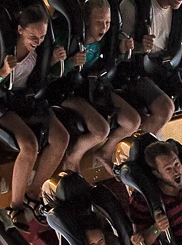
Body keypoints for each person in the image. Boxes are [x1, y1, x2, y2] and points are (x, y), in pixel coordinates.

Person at [0, 3, 69, 218]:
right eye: (33, 37)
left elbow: (40, 79)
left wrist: (54, 59)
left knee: (61, 138)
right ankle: (15, 207)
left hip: (25, 101)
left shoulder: (42, 48)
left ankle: (33, 196)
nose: (37, 42)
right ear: (19, 30)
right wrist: (3, 71)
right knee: (29, 146)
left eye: (42, 37)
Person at [46, 0, 140, 175]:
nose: (103, 28)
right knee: (100, 130)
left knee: (132, 120)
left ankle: (105, 152)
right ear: (86, 21)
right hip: (67, 91)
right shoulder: (67, 37)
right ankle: (72, 159)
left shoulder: (104, 40)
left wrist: (121, 49)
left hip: (93, 86)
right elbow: (47, 72)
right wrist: (70, 63)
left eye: (107, 23)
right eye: (99, 22)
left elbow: (109, 61)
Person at [117, 0, 182, 136]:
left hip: (167, 67)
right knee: (165, 109)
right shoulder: (133, 7)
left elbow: (176, 41)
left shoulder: (178, 11)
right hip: (136, 73)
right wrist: (138, 47)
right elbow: (118, 49)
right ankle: (143, 149)